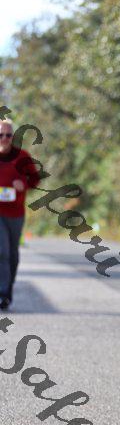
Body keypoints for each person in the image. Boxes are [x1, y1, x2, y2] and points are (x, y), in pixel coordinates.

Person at [0, 119, 41, 309]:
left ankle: (7, 290)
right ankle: (2, 293)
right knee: (2, 252)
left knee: (12, 255)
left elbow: (35, 179)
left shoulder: (22, 156)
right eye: (1, 135)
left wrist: (23, 184)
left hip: (16, 213)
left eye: (8, 135)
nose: (4, 138)